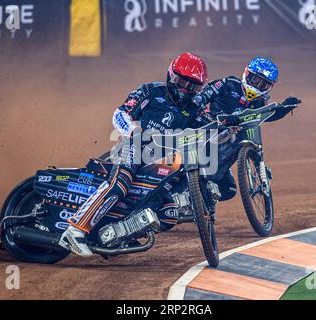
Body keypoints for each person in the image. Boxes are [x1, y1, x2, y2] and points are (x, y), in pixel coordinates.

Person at [59, 52, 208, 256]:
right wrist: (134, 131)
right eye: (182, 82)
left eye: (193, 86)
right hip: (135, 147)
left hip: (164, 162)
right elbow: (120, 114)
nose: (186, 90)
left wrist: (227, 128)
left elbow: (207, 129)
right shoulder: (150, 92)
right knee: (121, 183)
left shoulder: (196, 106)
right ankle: (75, 230)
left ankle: (117, 236)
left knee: (169, 213)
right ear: (171, 76)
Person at [193, 57, 301, 201]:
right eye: (255, 80)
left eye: (264, 84)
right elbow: (201, 98)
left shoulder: (259, 101)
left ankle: (204, 209)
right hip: (207, 133)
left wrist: (284, 108)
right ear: (246, 74)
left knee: (228, 190)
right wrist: (213, 116)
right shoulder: (227, 84)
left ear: (270, 87)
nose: (257, 85)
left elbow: (266, 116)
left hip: (230, 144)